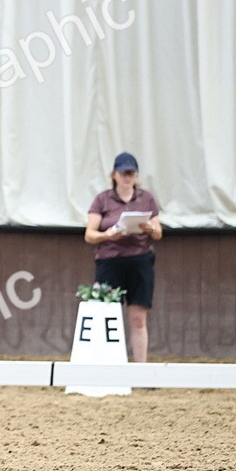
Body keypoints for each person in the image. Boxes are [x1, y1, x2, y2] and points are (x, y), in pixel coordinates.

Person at [84, 152, 163, 362]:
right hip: (110, 260)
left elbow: (158, 232)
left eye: (131, 173)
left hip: (140, 260)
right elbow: (89, 235)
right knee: (109, 316)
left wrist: (148, 228)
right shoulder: (102, 200)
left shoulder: (146, 198)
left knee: (138, 318)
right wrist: (107, 235)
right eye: (124, 173)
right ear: (114, 175)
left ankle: (140, 370)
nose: (128, 177)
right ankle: (109, 365)